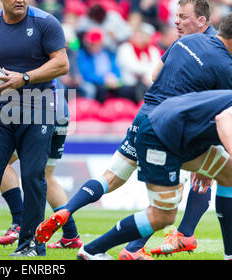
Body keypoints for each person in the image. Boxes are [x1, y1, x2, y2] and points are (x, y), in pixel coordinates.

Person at [35, 10, 232, 259]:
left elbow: (155, 75)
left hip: (150, 115)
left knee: (111, 178)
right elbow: (223, 117)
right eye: (178, 16)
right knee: (165, 209)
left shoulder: (187, 41)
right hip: (167, 130)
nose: (177, 22)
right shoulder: (226, 68)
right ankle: (103, 250)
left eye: (183, 17)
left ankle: (70, 211)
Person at [0, 0, 69, 257]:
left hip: (38, 107)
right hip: (0, 111)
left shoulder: (46, 23)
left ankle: (31, 246)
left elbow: (61, 64)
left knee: (34, 177)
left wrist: (24, 77)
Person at [78, 89, 232, 260]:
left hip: (179, 135)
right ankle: (93, 250)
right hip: (159, 136)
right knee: (162, 215)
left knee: (228, 173)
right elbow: (224, 119)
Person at [0, 0, 82, 250]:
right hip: (60, 108)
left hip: (40, 111)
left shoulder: (7, 48)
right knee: (45, 176)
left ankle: (18, 221)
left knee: (1, 163)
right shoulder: (26, 39)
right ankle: (70, 234)